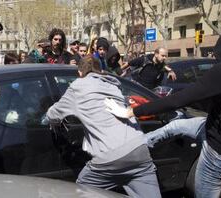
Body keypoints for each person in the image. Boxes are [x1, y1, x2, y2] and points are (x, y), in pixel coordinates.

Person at [105, 24, 221, 198]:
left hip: (218, 150)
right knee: (175, 126)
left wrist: (131, 112)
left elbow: (177, 100)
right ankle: (137, 144)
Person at [46, 56, 160, 197]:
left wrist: (52, 121)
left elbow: (53, 115)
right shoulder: (113, 86)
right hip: (139, 150)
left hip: (109, 158)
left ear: (80, 73)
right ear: (100, 71)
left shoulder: (78, 87)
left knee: (80, 191)